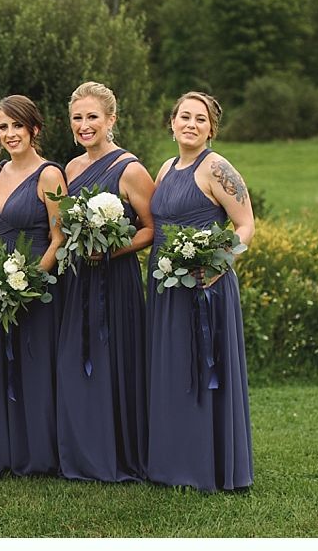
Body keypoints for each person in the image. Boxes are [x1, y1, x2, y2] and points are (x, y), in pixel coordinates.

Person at [145, 91, 254, 492]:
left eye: (200, 119)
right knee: (171, 369)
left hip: (204, 286)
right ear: (171, 123)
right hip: (163, 285)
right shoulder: (166, 167)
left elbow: (245, 225)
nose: (191, 124)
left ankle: (204, 466)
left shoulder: (217, 168)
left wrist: (216, 263)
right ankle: (170, 463)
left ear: (212, 128)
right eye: (184, 117)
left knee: (200, 368)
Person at [56, 81, 156, 482]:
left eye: (92, 117)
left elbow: (152, 229)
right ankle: (83, 457)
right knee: (75, 363)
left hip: (117, 281)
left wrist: (109, 251)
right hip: (78, 281)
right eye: (77, 118)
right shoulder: (70, 169)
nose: (84, 125)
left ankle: (120, 456)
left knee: (116, 363)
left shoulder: (129, 169)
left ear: (111, 119)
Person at [0, 95, 67, 476]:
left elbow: (60, 237)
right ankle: (2, 452)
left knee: (33, 363)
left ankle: (39, 456)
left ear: (35, 129)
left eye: (17, 126)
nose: (10, 134)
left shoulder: (49, 175)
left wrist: (29, 281)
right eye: (3, 127)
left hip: (37, 285)